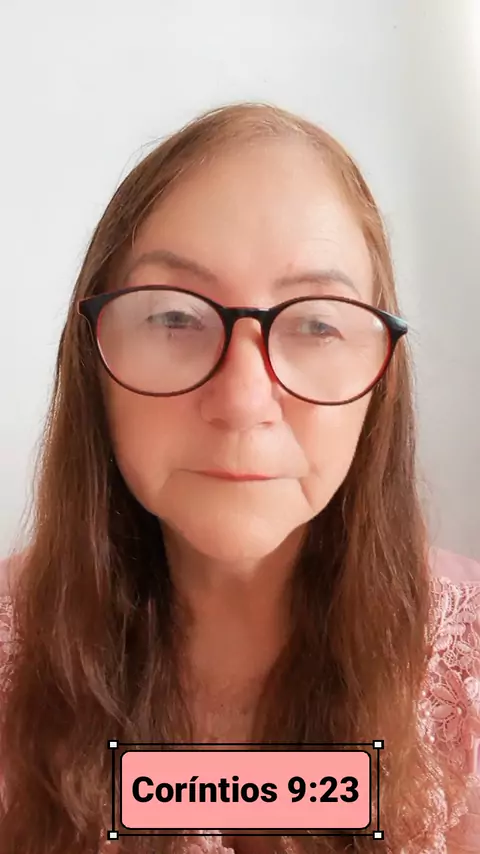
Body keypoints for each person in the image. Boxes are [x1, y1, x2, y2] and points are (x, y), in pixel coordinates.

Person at [0, 102, 478, 854]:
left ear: (382, 381)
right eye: (174, 318)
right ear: (92, 362)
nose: (244, 400)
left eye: (318, 323)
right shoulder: (11, 653)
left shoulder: (468, 671)